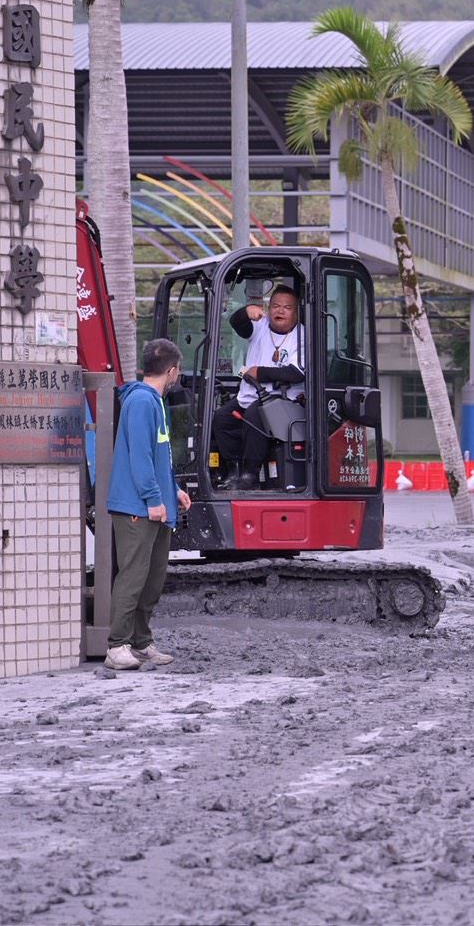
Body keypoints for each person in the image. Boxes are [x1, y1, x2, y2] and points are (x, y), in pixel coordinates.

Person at [105, 338, 191, 671]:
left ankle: (141, 641)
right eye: (178, 372)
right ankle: (117, 645)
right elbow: (140, 457)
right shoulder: (142, 402)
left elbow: (158, 457)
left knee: (151, 579)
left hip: (154, 506)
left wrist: (174, 490)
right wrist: (155, 499)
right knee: (133, 577)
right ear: (172, 371)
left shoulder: (151, 401)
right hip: (138, 509)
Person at [212, 283, 305, 490]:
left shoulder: (302, 336)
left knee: (256, 414)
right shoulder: (261, 327)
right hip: (250, 397)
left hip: (284, 401)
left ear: (297, 313)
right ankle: (233, 471)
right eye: (276, 306)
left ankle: (250, 474)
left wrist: (259, 372)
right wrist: (245, 312)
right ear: (269, 308)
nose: (280, 311)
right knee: (221, 418)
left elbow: (296, 373)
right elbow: (237, 323)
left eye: (287, 307)